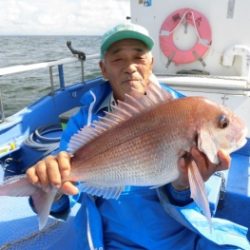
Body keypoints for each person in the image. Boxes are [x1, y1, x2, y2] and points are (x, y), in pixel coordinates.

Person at [26, 23, 248, 249]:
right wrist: (52, 192)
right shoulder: (83, 124)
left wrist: (182, 187)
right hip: (114, 240)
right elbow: (69, 198)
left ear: (151, 64)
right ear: (103, 69)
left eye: (139, 58)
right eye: (118, 59)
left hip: (180, 234)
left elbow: (197, 203)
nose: (130, 67)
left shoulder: (183, 110)